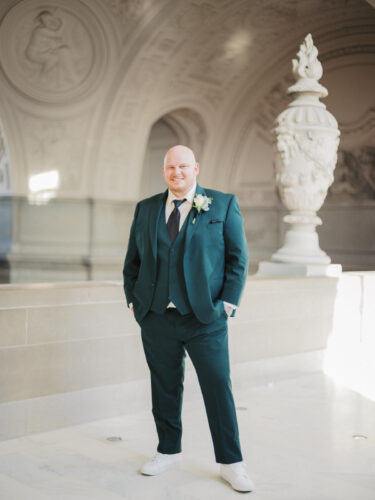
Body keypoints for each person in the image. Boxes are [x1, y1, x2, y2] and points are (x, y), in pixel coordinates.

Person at [123, 145, 254, 492]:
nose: (176, 172)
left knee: (217, 386)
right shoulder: (146, 208)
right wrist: (134, 303)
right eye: (170, 167)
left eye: (183, 166)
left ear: (195, 168)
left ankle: (231, 463)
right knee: (164, 386)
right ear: (164, 171)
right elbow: (132, 263)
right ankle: (168, 451)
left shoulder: (222, 204)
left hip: (205, 318)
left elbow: (237, 260)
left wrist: (226, 305)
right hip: (156, 317)